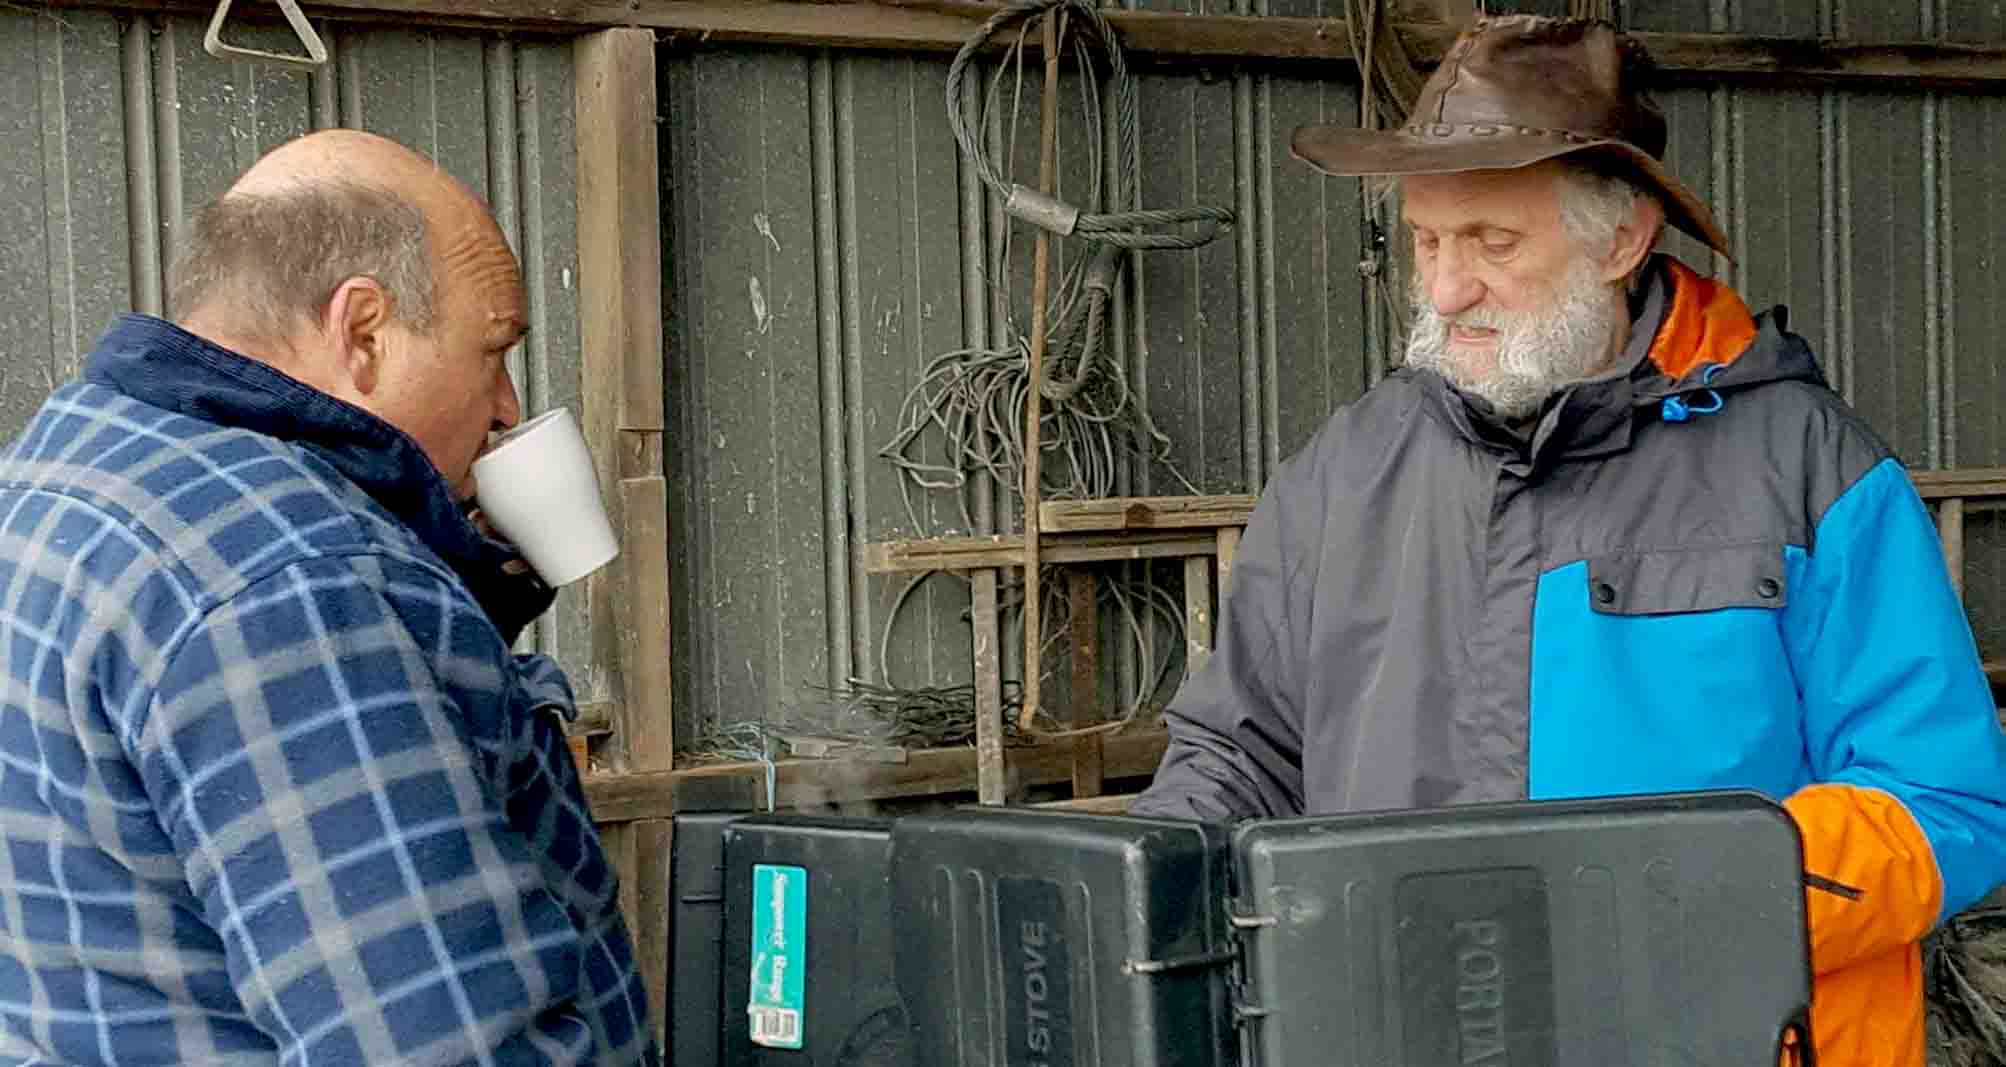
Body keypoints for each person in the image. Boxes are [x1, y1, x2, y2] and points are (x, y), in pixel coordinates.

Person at [1128, 16, 2006, 1067]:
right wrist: (1144, 906)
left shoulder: (1813, 471)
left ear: (1622, 240)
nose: (1445, 287)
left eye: (1492, 242)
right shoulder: (1339, 475)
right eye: (1426, 241)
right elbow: (1239, 753)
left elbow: (1942, 800)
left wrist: (1667, 906)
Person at [0, 130, 656, 1065]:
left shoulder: (66, 467)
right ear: (362, 332)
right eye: (494, 351)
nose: (507, 406)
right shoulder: (296, 582)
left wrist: (441, 583)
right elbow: (439, 1043)